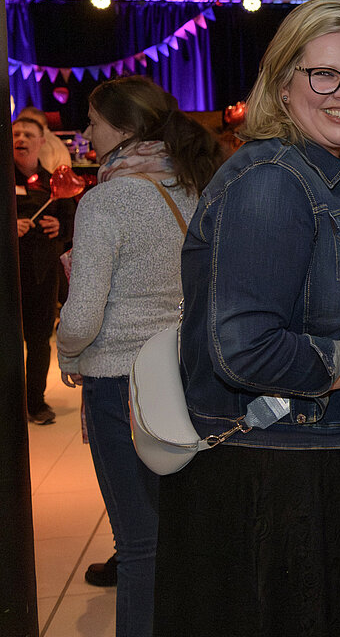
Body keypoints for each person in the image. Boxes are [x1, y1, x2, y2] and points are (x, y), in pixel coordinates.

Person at [154, 0, 340, 637]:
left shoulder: (328, 177)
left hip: (333, 457)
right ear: (283, 83)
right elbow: (245, 350)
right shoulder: (272, 181)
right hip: (284, 477)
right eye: (324, 74)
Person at [55, 76, 224, 637]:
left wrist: (65, 351)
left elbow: (82, 316)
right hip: (187, 376)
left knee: (140, 545)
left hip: (120, 385)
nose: (86, 133)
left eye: (93, 121)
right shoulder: (195, 184)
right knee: (186, 536)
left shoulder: (107, 201)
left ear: (125, 128)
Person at [14, 113, 75, 425]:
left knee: (39, 341)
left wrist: (59, 226)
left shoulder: (53, 183)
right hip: (9, 278)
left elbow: (72, 225)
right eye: (16, 133)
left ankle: (35, 403)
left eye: (28, 134)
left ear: (41, 142)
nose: (20, 139)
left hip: (42, 276)